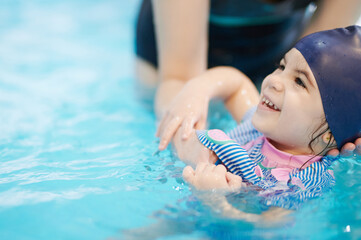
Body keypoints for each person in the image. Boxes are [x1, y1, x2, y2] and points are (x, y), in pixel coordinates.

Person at [158, 26, 361, 220]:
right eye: (282, 67)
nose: (274, 80)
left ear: (330, 133)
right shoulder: (255, 129)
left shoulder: (306, 180)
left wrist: (213, 200)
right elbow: (237, 84)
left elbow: (267, 227)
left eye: (299, 81)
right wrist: (197, 90)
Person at [135, 0, 360, 124]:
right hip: (171, 60)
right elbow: (179, 78)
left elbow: (319, 74)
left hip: (278, 53)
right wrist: (193, 146)